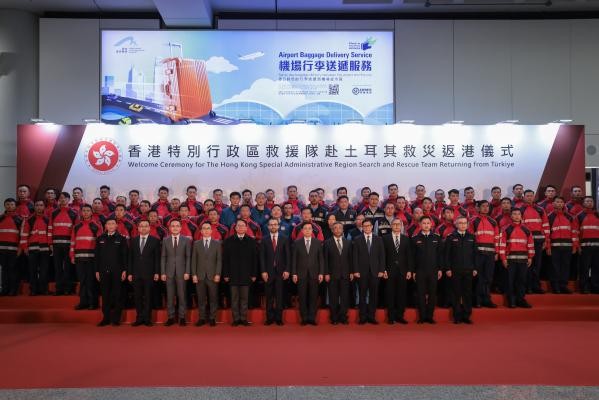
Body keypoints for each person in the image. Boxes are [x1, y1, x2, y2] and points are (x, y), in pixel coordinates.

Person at [223, 219, 258, 326]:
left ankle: (243, 318)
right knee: (234, 299)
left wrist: (254, 274)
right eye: (239, 226)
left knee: (244, 299)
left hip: (246, 274)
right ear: (235, 228)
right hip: (232, 275)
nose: (241, 227)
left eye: (243, 226)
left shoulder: (251, 241)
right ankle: (236, 319)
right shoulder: (228, 241)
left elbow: (255, 259)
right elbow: (225, 259)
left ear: (246, 228)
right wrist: (226, 274)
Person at [95, 218, 128, 326]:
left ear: (116, 226)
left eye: (112, 223)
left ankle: (116, 319)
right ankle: (106, 318)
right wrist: (97, 270)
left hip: (117, 271)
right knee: (105, 295)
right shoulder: (100, 238)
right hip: (103, 271)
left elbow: (124, 256)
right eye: (108, 224)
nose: (110, 225)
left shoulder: (121, 239)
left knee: (117, 295)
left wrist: (125, 270)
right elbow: (97, 256)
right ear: (105, 226)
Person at [499, 208, 534, 308]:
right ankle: (511, 301)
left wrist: (530, 257)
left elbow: (530, 244)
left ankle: (521, 300)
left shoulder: (526, 229)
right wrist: (503, 259)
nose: (517, 216)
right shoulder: (505, 229)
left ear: (521, 216)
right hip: (510, 260)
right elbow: (502, 245)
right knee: (510, 281)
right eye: (514, 214)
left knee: (522, 280)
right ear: (511, 216)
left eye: (518, 214)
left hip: (523, 260)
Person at [128, 219, 161, 326]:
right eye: (141, 226)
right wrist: (130, 273)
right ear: (138, 228)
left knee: (148, 296)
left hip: (149, 273)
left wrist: (157, 272)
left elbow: (157, 258)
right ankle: (139, 318)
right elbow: (130, 258)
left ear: (149, 228)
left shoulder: (155, 240)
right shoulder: (133, 240)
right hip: (136, 273)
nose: (143, 228)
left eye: (146, 226)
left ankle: (147, 318)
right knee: (137, 297)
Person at [445, 217, 477, 324]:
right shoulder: (451, 237)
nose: (463, 225)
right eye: (460, 223)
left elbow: (475, 254)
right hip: (455, 270)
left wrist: (475, 268)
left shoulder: (472, 237)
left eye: (464, 223)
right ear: (456, 224)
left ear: (467, 225)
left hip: (468, 270)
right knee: (456, 293)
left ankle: (466, 316)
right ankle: (457, 316)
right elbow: (447, 255)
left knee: (467, 293)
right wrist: (448, 268)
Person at [352, 218, 385, 324]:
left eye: (368, 226)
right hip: (361, 272)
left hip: (375, 272)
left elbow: (382, 256)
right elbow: (355, 257)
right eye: (364, 226)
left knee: (373, 295)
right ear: (362, 227)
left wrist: (381, 270)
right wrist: (356, 270)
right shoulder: (357, 239)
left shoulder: (378, 239)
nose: (366, 228)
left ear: (372, 227)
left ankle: (371, 316)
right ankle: (362, 317)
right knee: (362, 295)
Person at [70, 204, 103, 310]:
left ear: (91, 212)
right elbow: (73, 242)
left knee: (91, 281)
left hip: (91, 258)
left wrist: (99, 258)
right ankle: (83, 302)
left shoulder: (96, 226)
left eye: (88, 210)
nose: (85, 212)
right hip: (79, 258)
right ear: (81, 212)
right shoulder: (76, 226)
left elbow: (100, 244)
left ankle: (93, 303)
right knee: (82, 281)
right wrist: (72, 256)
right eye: (83, 210)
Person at [292, 222, 324, 325]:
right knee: (302, 297)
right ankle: (304, 318)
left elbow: (321, 259)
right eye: (305, 228)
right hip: (301, 274)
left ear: (312, 230)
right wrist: (294, 273)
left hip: (314, 273)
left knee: (313, 297)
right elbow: (294, 259)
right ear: (302, 230)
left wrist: (321, 273)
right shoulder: (297, 243)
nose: (307, 230)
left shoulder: (318, 242)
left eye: (309, 228)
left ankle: (312, 318)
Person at [412, 216, 443, 324]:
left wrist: (440, 269)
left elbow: (440, 255)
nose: (426, 225)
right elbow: (412, 257)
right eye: (424, 223)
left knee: (432, 294)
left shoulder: (437, 238)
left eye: (428, 223)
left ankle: (430, 316)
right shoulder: (415, 239)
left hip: (433, 270)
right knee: (420, 294)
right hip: (420, 271)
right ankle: (422, 316)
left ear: (431, 225)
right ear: (420, 225)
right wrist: (413, 271)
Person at [469, 200, 500, 308]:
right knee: (478, 278)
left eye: (487, 206)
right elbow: (471, 238)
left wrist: (496, 252)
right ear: (478, 208)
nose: (486, 208)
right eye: (483, 206)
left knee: (488, 278)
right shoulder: (473, 221)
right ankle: (477, 300)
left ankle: (487, 300)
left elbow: (496, 238)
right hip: (478, 254)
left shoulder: (493, 221)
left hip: (490, 254)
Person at [161, 219, 192, 326]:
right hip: (168, 272)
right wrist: (163, 272)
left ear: (180, 227)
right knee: (170, 296)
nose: (175, 228)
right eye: (173, 226)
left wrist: (187, 271)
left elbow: (188, 257)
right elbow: (163, 257)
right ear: (169, 228)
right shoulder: (165, 240)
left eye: (177, 226)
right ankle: (171, 317)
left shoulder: (186, 240)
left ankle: (182, 317)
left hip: (182, 272)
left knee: (182, 295)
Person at [382, 218, 413, 324]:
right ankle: (391, 317)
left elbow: (409, 256)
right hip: (389, 271)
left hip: (403, 271)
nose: (396, 226)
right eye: (394, 224)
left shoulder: (406, 239)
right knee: (390, 294)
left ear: (401, 226)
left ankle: (400, 316)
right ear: (391, 226)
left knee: (401, 294)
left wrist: (409, 270)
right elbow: (383, 256)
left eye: (398, 224)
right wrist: (383, 269)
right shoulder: (385, 238)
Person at [260, 218, 290, 326]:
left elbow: (288, 256)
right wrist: (263, 271)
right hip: (268, 273)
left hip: (281, 272)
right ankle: (269, 318)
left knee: (279, 296)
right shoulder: (264, 239)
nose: (273, 226)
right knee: (269, 296)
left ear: (278, 226)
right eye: (271, 224)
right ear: (268, 226)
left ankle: (278, 318)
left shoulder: (284, 238)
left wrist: (287, 270)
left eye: (275, 224)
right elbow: (262, 257)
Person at [191, 222, 222, 327]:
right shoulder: (196, 244)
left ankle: (212, 318)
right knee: (201, 299)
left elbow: (219, 260)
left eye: (208, 228)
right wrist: (194, 274)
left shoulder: (217, 243)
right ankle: (202, 318)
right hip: (199, 276)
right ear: (201, 231)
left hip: (213, 276)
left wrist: (218, 274)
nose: (206, 230)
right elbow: (193, 260)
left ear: (211, 230)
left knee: (213, 298)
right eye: (204, 228)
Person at [546, 196, 578, 294]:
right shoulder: (549, 217)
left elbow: (574, 232)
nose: (559, 204)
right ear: (553, 204)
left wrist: (574, 245)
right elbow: (547, 233)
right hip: (554, 247)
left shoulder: (570, 217)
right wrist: (548, 246)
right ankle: (555, 286)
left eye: (561, 202)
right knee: (554, 267)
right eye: (557, 202)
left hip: (567, 246)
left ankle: (563, 286)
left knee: (565, 266)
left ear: (564, 204)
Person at [520, 189, 549, 294]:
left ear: (534, 197)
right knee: (527, 265)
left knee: (537, 264)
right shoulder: (520, 210)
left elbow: (545, 225)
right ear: (524, 197)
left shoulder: (540, 210)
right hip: (526, 243)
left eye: (531, 196)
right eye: (527, 196)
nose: (529, 197)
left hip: (539, 242)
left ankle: (536, 286)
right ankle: (527, 287)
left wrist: (546, 240)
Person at [49, 192, 78, 295]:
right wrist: (50, 243)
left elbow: (76, 230)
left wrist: (74, 245)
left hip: (68, 245)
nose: (62, 200)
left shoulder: (74, 213)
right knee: (58, 267)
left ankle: (68, 289)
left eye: (64, 198)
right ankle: (59, 289)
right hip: (56, 245)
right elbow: (50, 228)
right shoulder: (54, 213)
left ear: (69, 199)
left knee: (68, 267)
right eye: (60, 198)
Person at [323, 222, 353, 325]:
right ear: (332, 230)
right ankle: (334, 317)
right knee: (333, 297)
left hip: (345, 274)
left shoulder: (348, 242)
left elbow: (350, 259)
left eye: (340, 228)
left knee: (344, 297)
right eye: (335, 228)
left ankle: (343, 317)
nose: (338, 230)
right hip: (332, 274)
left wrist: (351, 272)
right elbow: (325, 259)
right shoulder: (327, 243)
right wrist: (326, 273)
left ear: (343, 230)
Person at [20, 200, 50, 295]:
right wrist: (25, 247)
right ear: (34, 207)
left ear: (44, 207)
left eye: (41, 205)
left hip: (45, 249)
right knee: (32, 270)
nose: (39, 207)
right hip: (32, 249)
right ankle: (33, 290)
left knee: (44, 271)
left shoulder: (48, 219)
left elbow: (50, 234)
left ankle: (43, 289)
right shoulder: (29, 219)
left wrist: (50, 246)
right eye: (37, 205)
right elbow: (24, 234)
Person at [0, 198, 22, 296]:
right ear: (4, 206)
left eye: (12, 204)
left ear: (15, 206)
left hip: (14, 250)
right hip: (2, 250)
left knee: (13, 270)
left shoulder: (19, 220)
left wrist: (20, 248)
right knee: (4, 270)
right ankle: (4, 289)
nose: (9, 206)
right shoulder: (1, 218)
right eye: (7, 204)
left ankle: (13, 290)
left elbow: (22, 236)